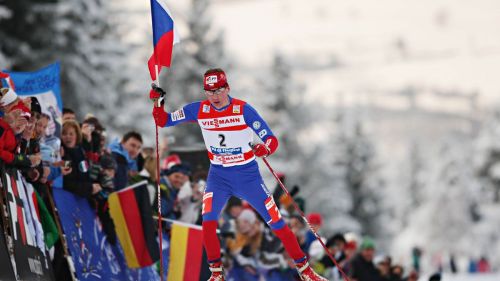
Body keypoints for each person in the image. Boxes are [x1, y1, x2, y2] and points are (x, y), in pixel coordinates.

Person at [151, 68, 327, 281]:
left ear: (227, 88)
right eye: (209, 91)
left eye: (218, 90)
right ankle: (216, 273)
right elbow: (163, 121)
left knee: (277, 223)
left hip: (247, 177)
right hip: (218, 177)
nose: (214, 96)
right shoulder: (198, 109)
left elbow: (271, 139)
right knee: (208, 221)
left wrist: (265, 149)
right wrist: (158, 102)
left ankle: (305, 270)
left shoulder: (243, 110)